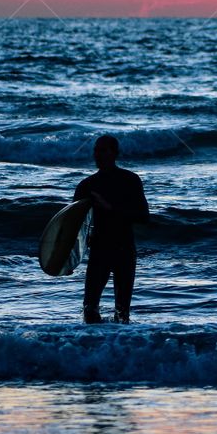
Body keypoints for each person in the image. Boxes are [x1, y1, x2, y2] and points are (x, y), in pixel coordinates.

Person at [74, 134, 150, 324]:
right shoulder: (86, 185)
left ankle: (121, 342)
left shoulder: (130, 180)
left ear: (115, 153)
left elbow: (143, 216)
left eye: (103, 150)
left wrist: (110, 208)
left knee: (122, 312)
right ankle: (92, 342)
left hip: (124, 249)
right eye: (96, 150)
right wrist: (67, 261)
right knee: (89, 310)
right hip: (99, 249)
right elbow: (72, 225)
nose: (97, 155)